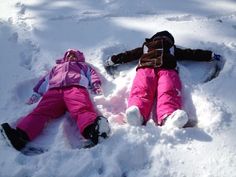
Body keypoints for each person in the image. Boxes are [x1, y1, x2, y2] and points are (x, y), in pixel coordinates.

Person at [104, 30, 223, 128]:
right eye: (161, 37)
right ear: (153, 39)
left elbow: (191, 53)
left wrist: (209, 55)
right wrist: (113, 59)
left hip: (167, 69)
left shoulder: (172, 49)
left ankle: (168, 116)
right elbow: (129, 55)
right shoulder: (146, 47)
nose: (163, 39)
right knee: (141, 89)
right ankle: (137, 113)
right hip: (146, 68)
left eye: (166, 38)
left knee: (168, 90)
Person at [0, 49, 111, 151]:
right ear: (65, 57)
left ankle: (93, 130)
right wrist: (36, 93)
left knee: (81, 109)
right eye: (69, 55)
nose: (71, 57)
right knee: (41, 111)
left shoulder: (82, 66)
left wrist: (96, 85)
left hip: (75, 88)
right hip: (54, 91)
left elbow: (92, 74)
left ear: (79, 57)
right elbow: (44, 81)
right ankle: (21, 135)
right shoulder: (56, 68)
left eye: (74, 55)